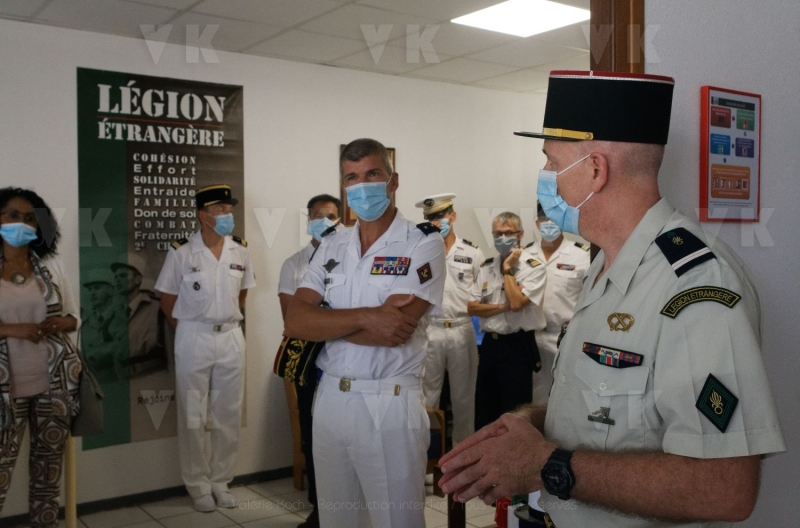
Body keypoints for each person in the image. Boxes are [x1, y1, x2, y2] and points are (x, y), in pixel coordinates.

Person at [439, 71, 786, 528]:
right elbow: (612, 412)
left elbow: (725, 488)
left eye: (550, 161)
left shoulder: (695, 288)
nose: (544, 178)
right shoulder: (606, 268)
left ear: (595, 170)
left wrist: (547, 465)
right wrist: (531, 422)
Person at [285, 138, 446, 528]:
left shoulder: (422, 242)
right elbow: (295, 322)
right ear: (343, 187)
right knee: (338, 522)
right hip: (330, 403)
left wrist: (327, 320)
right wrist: (365, 318)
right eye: (351, 177)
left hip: (387, 404)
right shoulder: (331, 244)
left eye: (372, 174)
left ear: (393, 181)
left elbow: (394, 330)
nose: (362, 185)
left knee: (396, 522)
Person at [155, 184, 255, 512]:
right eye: (220, 210)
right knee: (194, 414)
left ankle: (221, 481)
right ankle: (197, 483)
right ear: (202, 215)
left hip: (230, 337)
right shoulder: (182, 251)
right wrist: (188, 331)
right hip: (194, 337)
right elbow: (167, 299)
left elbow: (242, 295)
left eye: (229, 210)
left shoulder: (241, 250)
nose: (228, 215)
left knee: (227, 413)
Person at [0, 187, 81, 527]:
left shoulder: (51, 264)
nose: (22, 223)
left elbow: (75, 319)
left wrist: (61, 322)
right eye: (13, 216)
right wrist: (12, 329)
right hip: (6, 391)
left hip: (54, 386)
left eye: (30, 217)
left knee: (48, 476)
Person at [277, 193, 341, 528]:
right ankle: (320, 508)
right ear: (308, 221)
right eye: (318, 215)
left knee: (343, 433)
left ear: (340, 220)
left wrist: (326, 320)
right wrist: (334, 321)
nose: (325, 221)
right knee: (314, 434)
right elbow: (293, 320)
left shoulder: (351, 257)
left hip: (348, 358)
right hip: (309, 362)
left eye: (331, 216)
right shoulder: (294, 264)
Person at [414, 193, 483, 446]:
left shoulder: (472, 253)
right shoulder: (419, 252)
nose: (436, 221)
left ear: (452, 216)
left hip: (461, 330)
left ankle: (462, 457)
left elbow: (479, 297)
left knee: (464, 398)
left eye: (441, 216)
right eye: (430, 217)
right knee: (427, 397)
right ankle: (427, 456)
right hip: (430, 330)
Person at [468, 212, 545, 430]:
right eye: (498, 234)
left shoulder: (534, 267)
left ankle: (514, 461)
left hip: (518, 347)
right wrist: (503, 307)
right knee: (485, 409)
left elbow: (518, 303)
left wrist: (508, 270)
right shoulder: (486, 266)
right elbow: (471, 307)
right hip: (490, 345)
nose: (502, 238)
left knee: (515, 412)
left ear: (520, 234)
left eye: (508, 233)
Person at [526, 203, 590, 406]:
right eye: (544, 219)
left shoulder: (582, 255)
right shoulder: (524, 255)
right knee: (536, 400)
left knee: (568, 397)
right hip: (531, 339)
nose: (549, 224)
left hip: (566, 337)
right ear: (537, 223)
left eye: (554, 218)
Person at [111, 252, 167, 377]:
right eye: (116, 277)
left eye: (123, 275)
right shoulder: (116, 313)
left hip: (153, 376)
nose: (118, 280)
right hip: (124, 380)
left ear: (138, 279)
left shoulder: (156, 308)